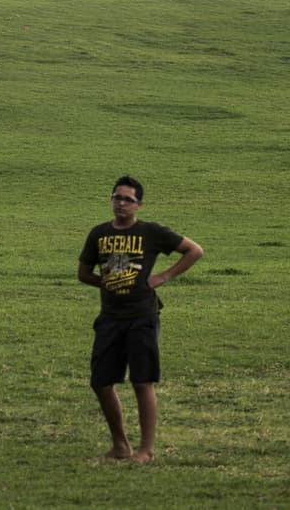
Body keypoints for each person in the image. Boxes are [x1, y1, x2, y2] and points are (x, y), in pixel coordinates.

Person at [77, 176, 203, 463]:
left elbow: (195, 250)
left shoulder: (151, 232)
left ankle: (146, 449)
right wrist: (109, 283)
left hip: (142, 316)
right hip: (110, 317)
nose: (120, 203)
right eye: (116, 197)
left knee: (142, 381)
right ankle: (120, 444)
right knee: (101, 382)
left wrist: (163, 276)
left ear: (139, 205)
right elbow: (83, 274)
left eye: (127, 200)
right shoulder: (98, 234)